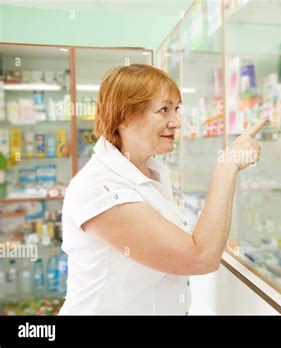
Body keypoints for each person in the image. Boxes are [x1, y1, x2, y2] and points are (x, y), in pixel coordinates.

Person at [59, 64, 267, 314]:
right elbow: (200, 257)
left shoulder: (153, 172)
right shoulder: (99, 188)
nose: (176, 122)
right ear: (124, 116)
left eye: (177, 109)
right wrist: (228, 165)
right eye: (164, 110)